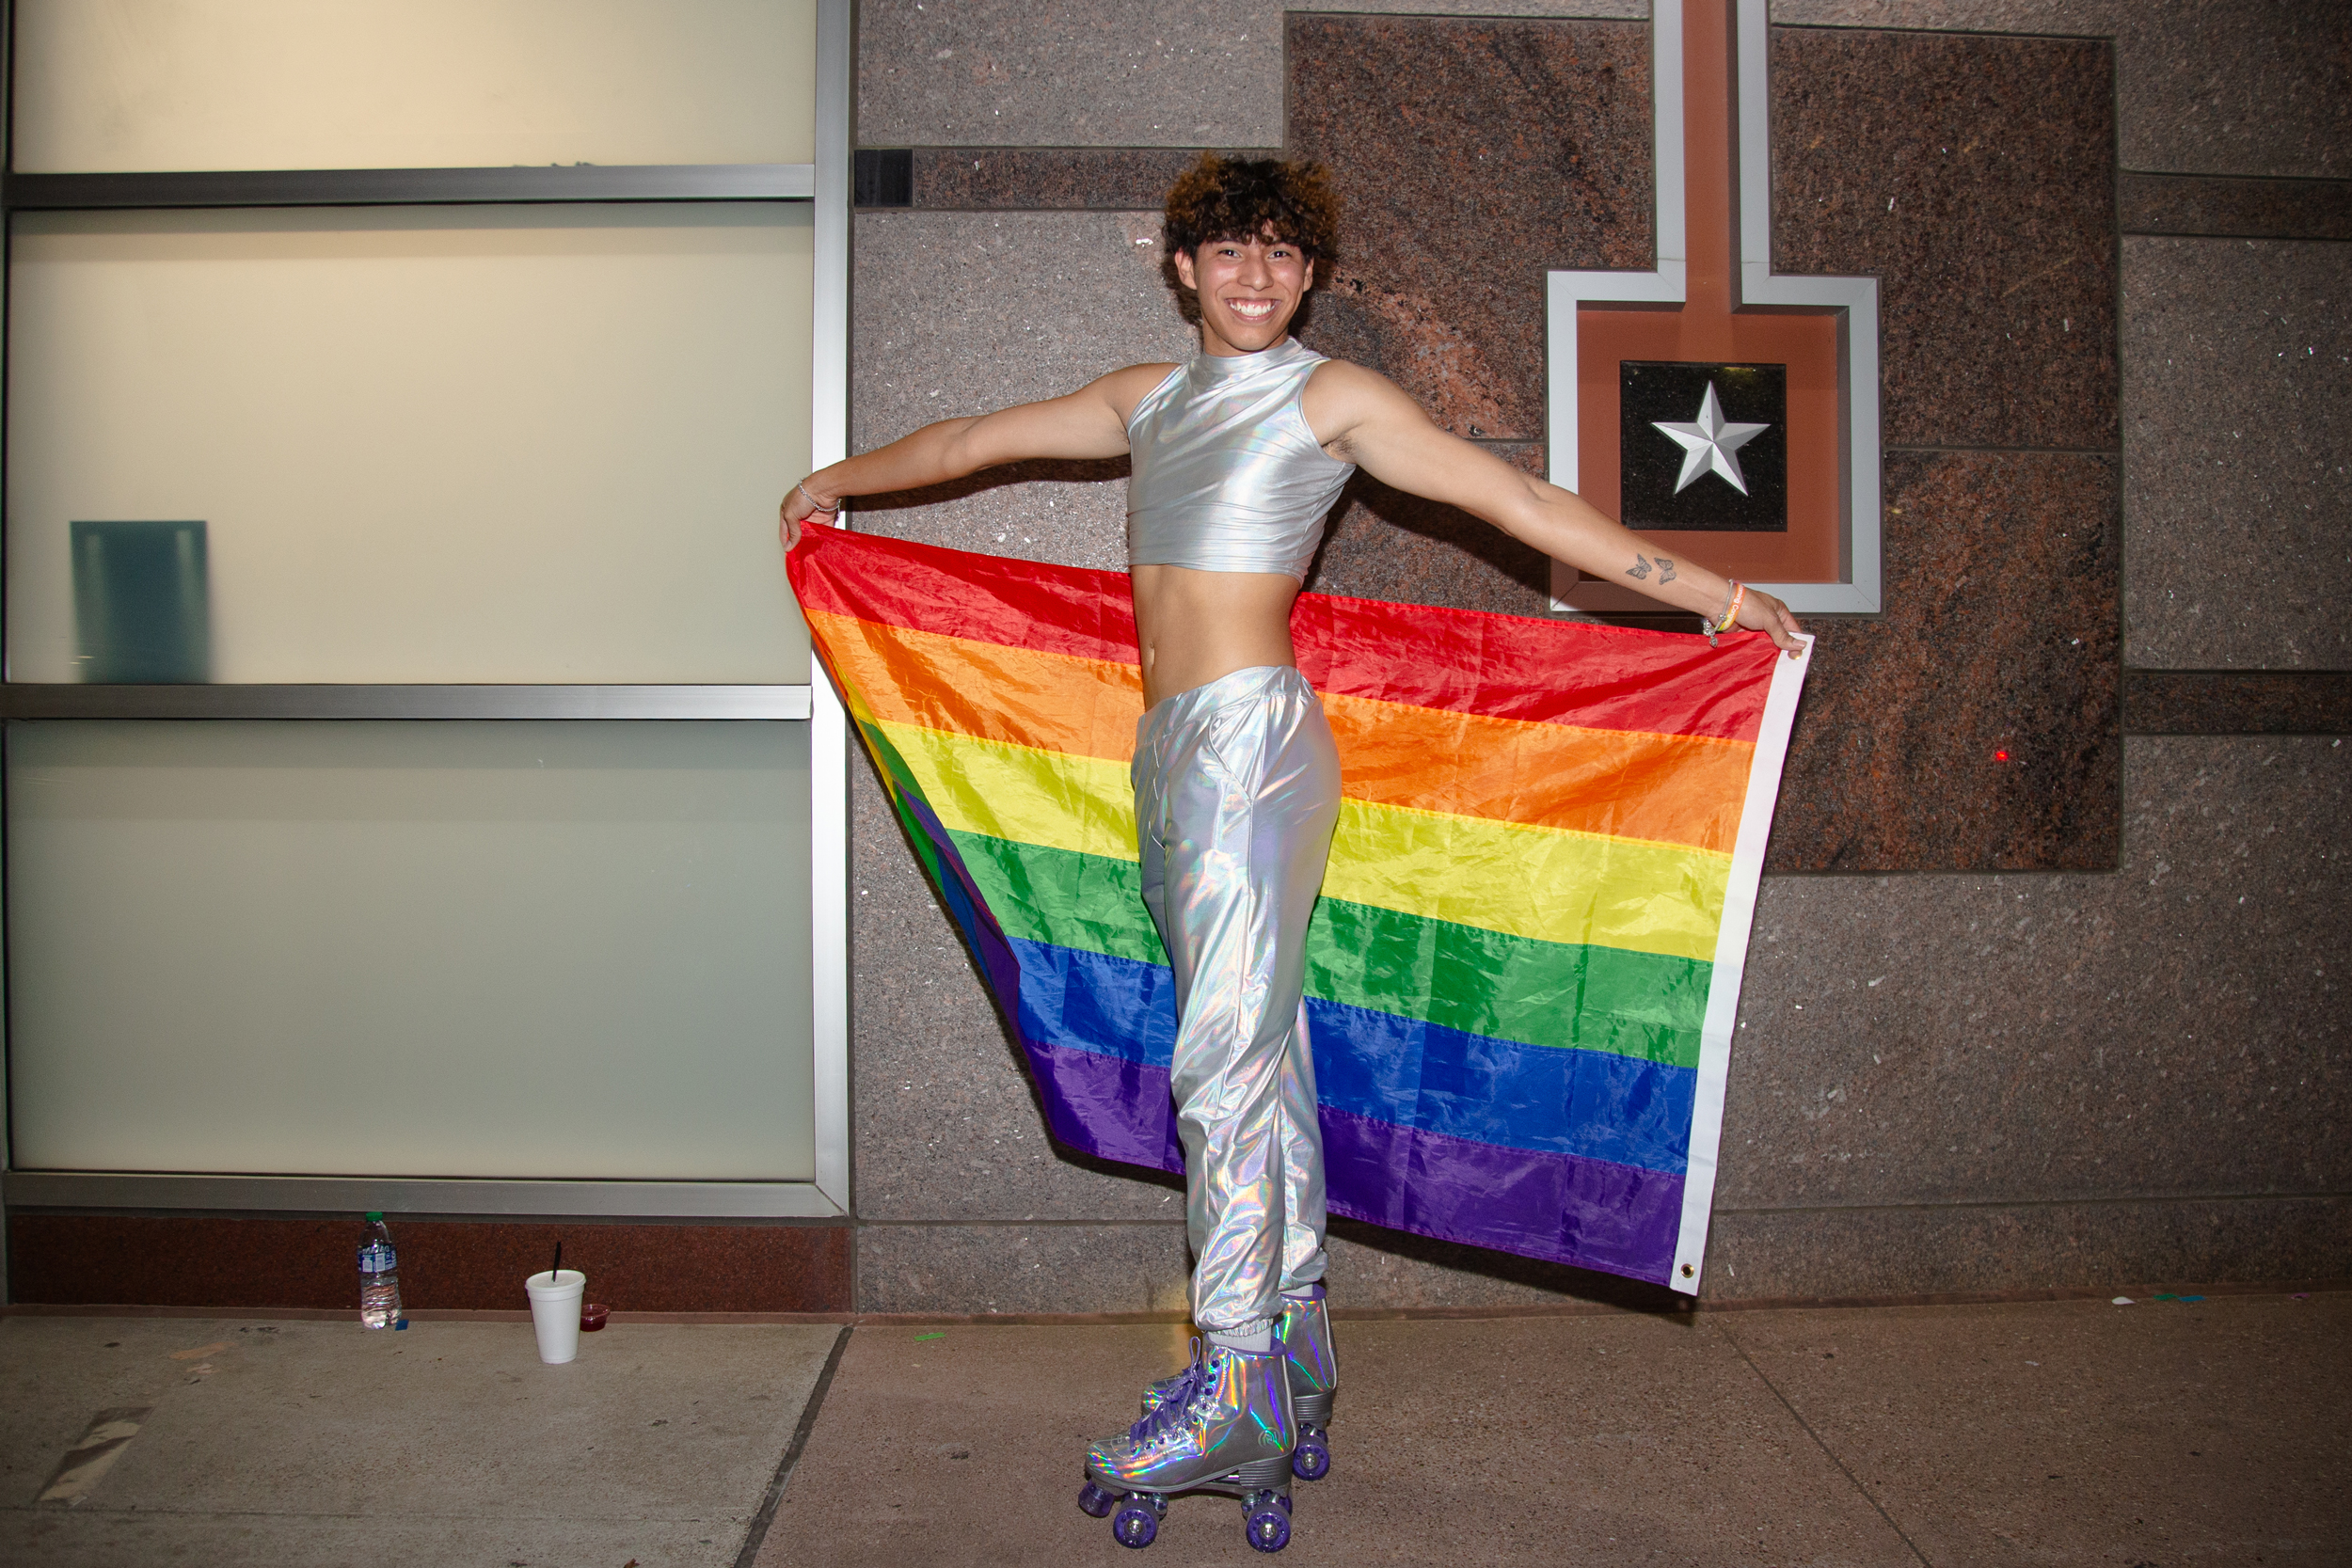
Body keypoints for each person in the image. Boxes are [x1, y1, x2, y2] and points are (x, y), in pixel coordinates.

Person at [784, 154, 1804, 1542]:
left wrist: (1722, 594)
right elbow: (971, 443)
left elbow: (1524, 509)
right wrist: (836, 483)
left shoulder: (1335, 400)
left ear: (1310, 274)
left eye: (1280, 253)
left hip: (1252, 749)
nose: (1255, 275)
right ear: (1183, 268)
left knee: (1220, 1063)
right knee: (1264, 1056)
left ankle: (1240, 1375)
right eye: (1228, 251)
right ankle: (1296, 1340)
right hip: (1175, 754)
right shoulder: (1146, 399)